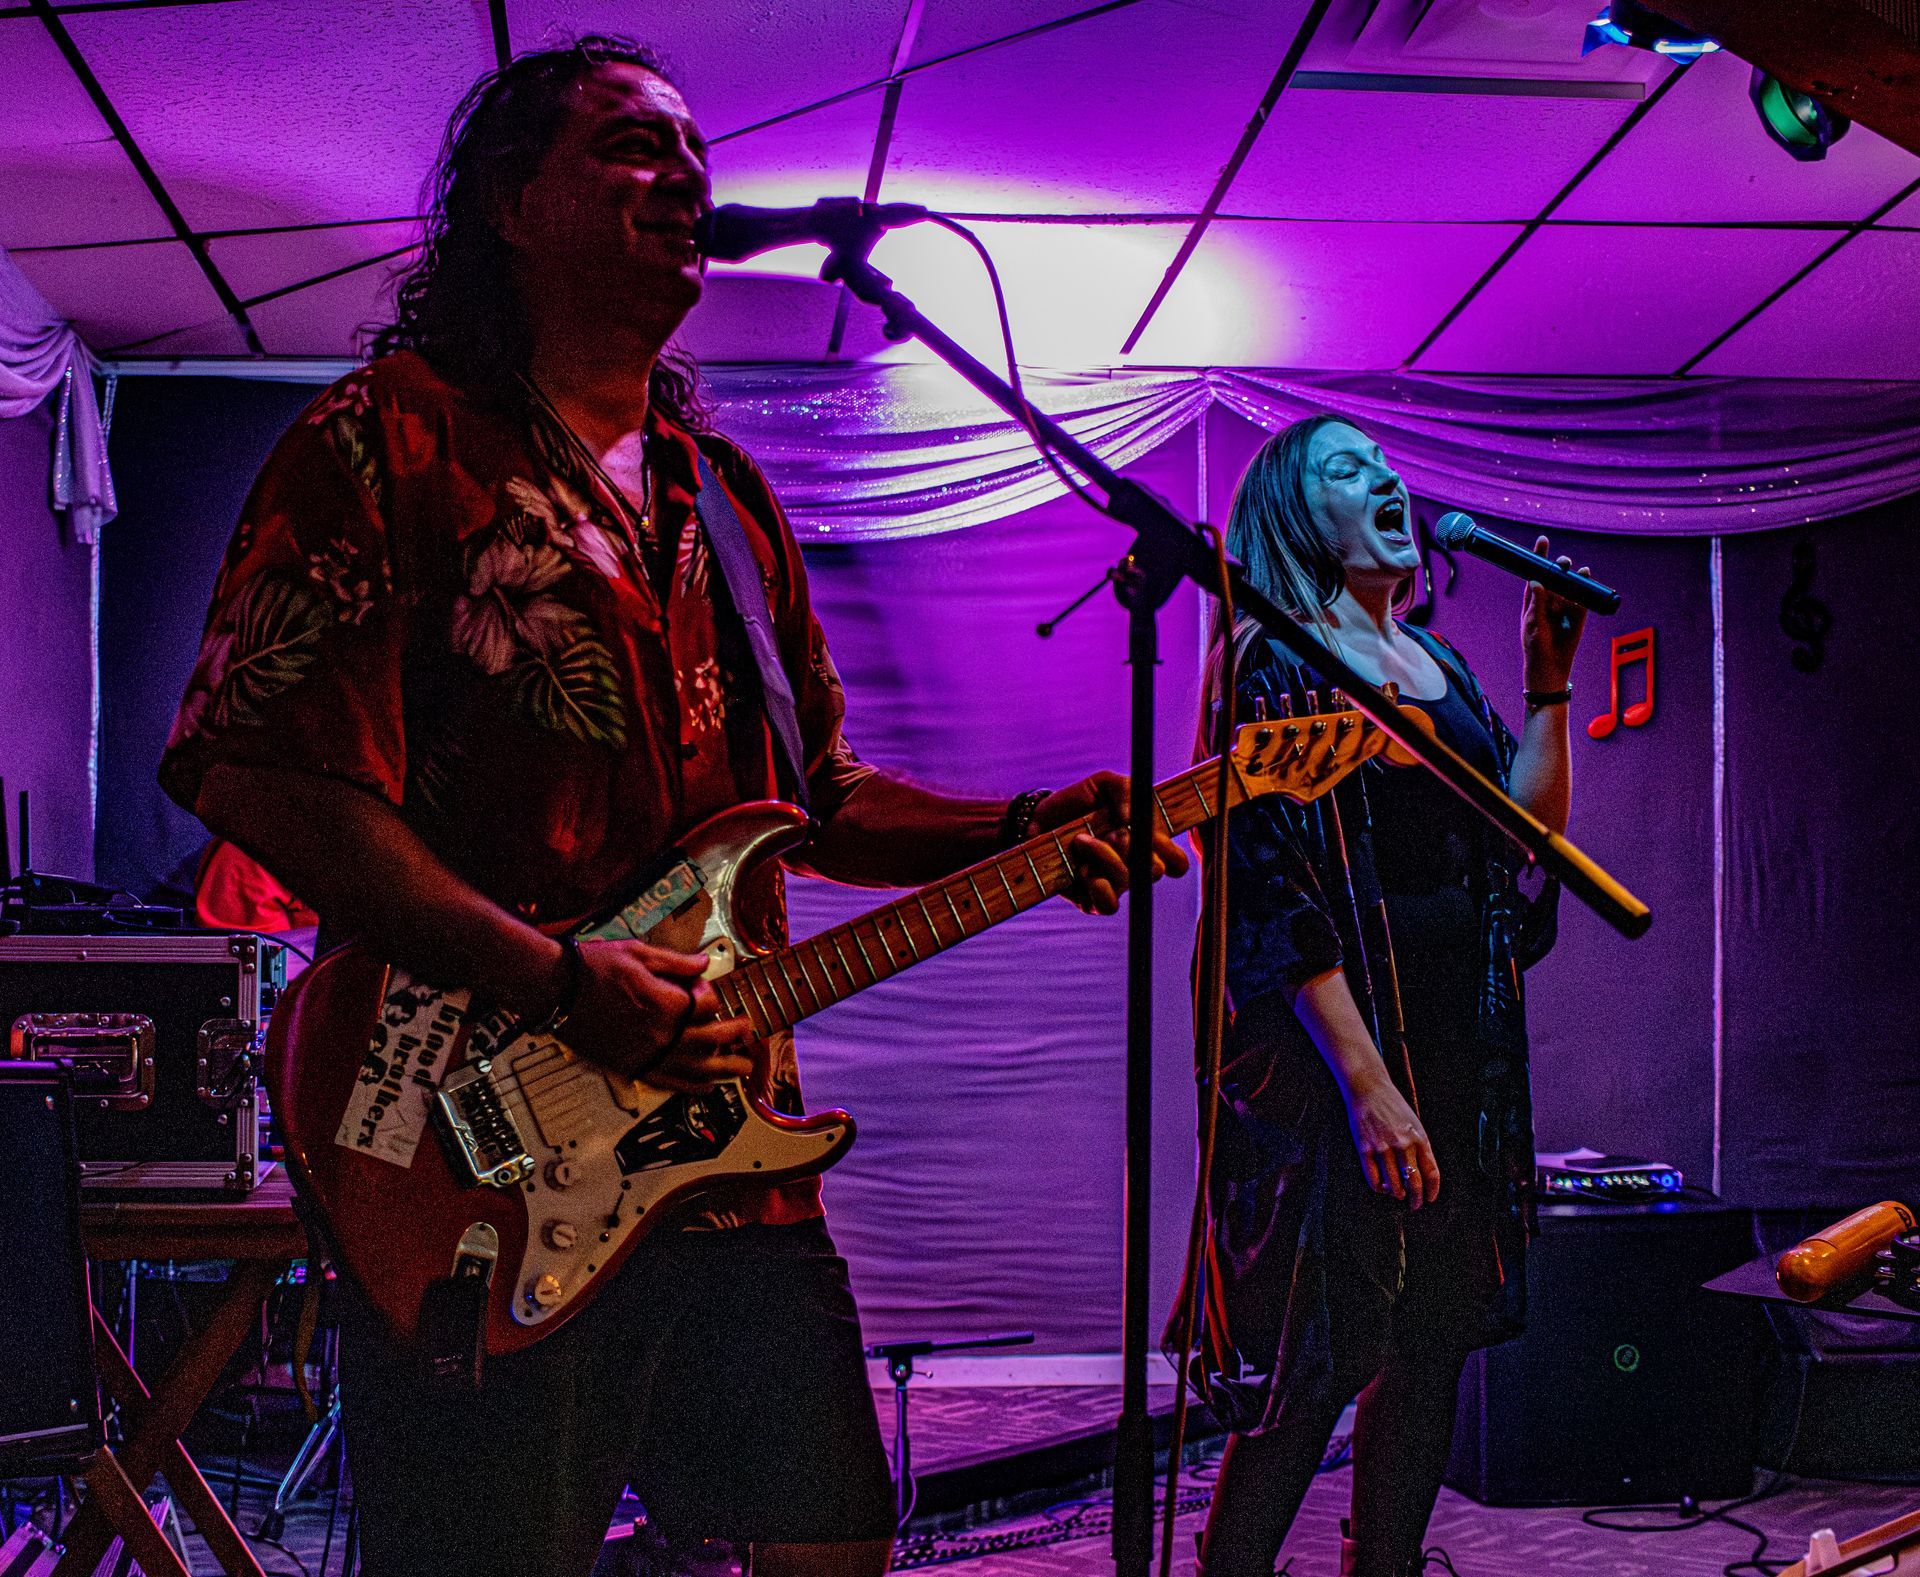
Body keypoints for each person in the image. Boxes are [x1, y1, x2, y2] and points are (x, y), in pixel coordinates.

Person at [158, 37, 1185, 1577]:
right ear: (511, 203)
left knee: (829, 1538)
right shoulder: (388, 437)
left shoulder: (728, 499)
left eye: (695, 154)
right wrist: (555, 976)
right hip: (468, 1146)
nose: (684, 177)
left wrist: (1026, 824)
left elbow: (816, 795)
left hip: (725, 1156)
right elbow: (253, 767)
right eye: (632, 146)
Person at [1173, 415, 1587, 1577]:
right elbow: (1269, 888)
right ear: (1295, 513)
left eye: (1387, 462)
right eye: (1349, 468)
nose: (1388, 477)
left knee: (1430, 1338)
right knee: (1320, 1355)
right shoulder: (1274, 659)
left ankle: (1387, 1561)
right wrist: (1367, 1085)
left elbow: (1522, 841)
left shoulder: (1440, 664)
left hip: (1459, 1047)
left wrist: (1548, 684)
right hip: (1334, 1064)